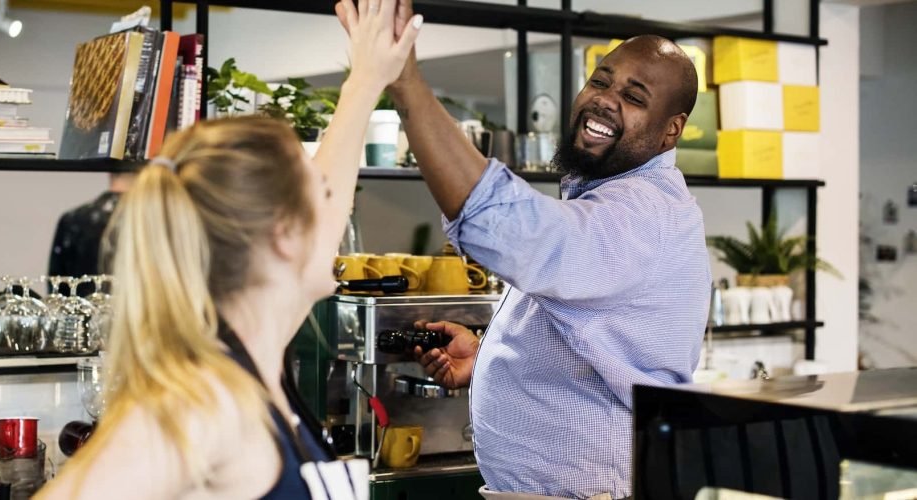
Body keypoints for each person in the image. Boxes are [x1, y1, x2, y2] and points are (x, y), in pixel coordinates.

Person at [36, 2, 421, 499]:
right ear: (283, 236)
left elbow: (330, 181)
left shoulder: (261, 371)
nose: (337, 216)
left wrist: (367, 80)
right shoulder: (205, 402)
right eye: (323, 200)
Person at [335, 3, 711, 499]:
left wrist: (405, 83)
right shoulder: (604, 202)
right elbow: (582, 334)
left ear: (672, 129)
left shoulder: (642, 213)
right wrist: (489, 354)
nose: (605, 100)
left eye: (634, 96)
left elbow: (511, 229)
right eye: (601, 82)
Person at [47, 172, 136, 296]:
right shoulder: (153, 220)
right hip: (137, 310)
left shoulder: (73, 219)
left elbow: (57, 288)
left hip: (81, 312)